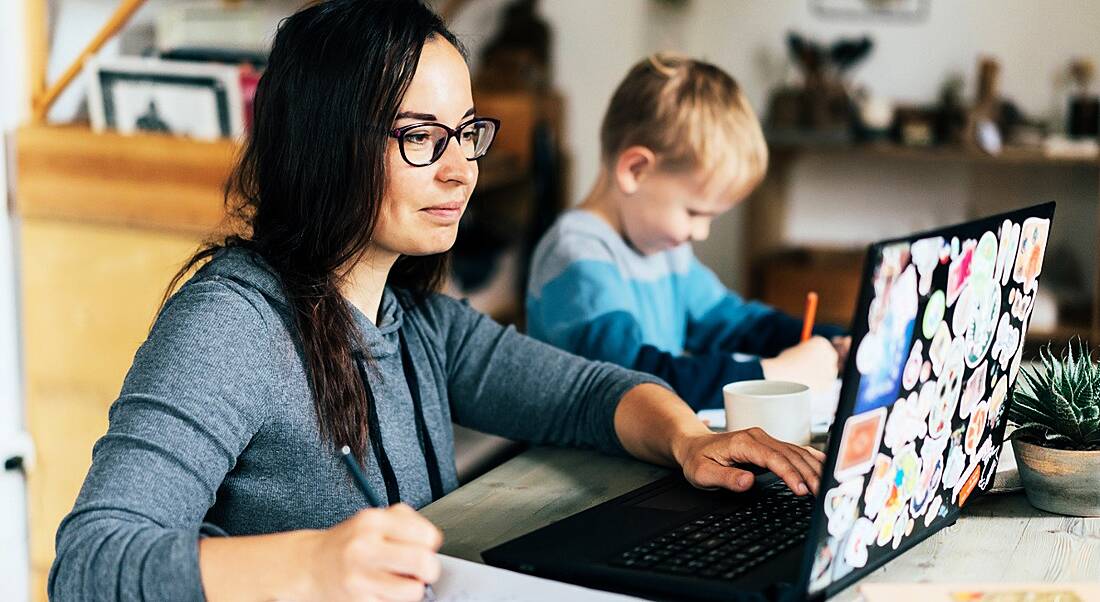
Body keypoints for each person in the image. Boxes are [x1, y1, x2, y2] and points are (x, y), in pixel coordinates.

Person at [49, 3, 825, 601]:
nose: (461, 171)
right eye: (423, 136)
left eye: (466, 134)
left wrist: (688, 440)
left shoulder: (416, 321)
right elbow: (89, 563)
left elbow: (586, 393)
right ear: (328, 142)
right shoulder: (229, 326)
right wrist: (311, 563)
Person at [526, 53, 850, 411]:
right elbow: (638, 381)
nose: (701, 232)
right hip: (575, 461)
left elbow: (735, 324)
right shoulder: (577, 256)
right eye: (694, 212)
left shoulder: (663, 249)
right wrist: (770, 374)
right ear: (635, 170)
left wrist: (831, 340)